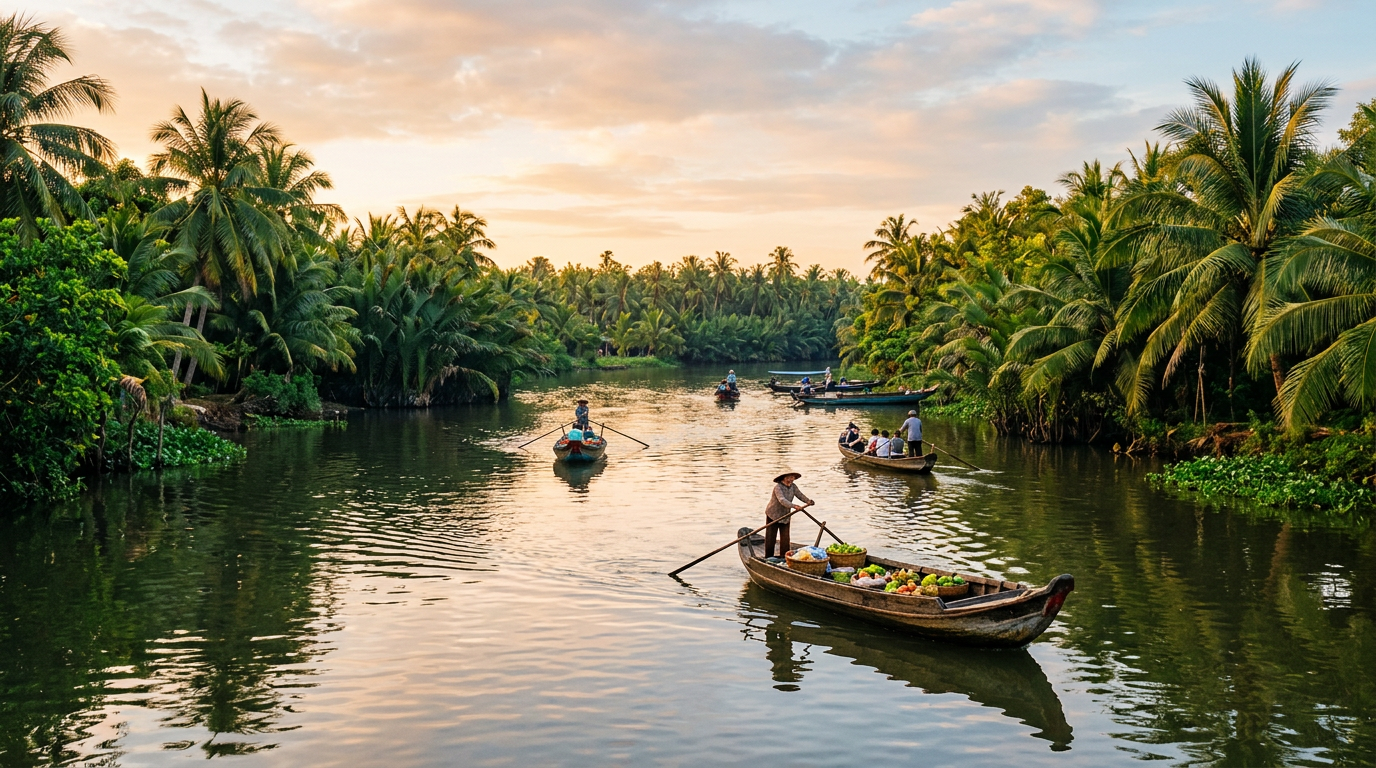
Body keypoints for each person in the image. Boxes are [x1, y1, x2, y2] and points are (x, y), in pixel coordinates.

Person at [763, 470, 813, 559]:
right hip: (773, 515)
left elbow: (800, 495)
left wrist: (808, 501)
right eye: (789, 477)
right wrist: (794, 506)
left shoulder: (793, 486)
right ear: (784, 478)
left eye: (792, 477)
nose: (791, 479)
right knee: (771, 537)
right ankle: (768, 557)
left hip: (785, 515)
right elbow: (782, 500)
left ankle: (784, 557)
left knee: (785, 538)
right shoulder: (778, 487)